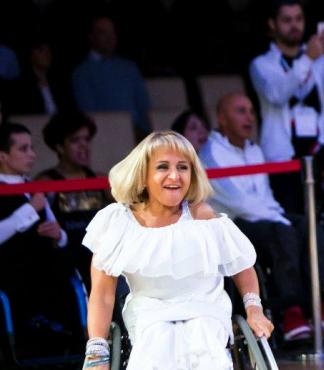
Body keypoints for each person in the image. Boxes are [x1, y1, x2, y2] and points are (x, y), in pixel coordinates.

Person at [82, 131, 273, 369]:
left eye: (183, 167)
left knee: (203, 344)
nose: (175, 176)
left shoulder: (201, 216)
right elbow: (102, 293)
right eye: (163, 167)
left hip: (205, 308)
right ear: (143, 176)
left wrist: (254, 309)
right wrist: (97, 350)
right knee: (156, 343)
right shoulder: (117, 222)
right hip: (150, 313)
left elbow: (242, 266)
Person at [199, 92, 324, 341]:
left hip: (267, 216)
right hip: (231, 224)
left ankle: (322, 304)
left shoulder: (255, 150)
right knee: (282, 231)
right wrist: (279, 219)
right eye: (241, 111)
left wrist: (280, 217)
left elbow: (266, 197)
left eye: (251, 111)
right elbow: (239, 204)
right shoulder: (211, 153)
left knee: (308, 225)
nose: (249, 117)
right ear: (221, 118)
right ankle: (290, 312)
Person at [249, 0, 324, 213]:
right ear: (272, 24)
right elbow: (277, 94)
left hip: (321, 155)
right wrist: (307, 59)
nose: (295, 26)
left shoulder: (318, 56)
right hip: (283, 159)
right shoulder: (262, 64)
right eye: (287, 20)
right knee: (295, 220)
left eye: (299, 19)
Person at [0, 122, 78, 359]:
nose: (32, 155)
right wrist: (30, 211)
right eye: (23, 149)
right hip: (13, 278)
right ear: (3, 156)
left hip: (49, 277)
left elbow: (59, 233)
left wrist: (59, 235)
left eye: (32, 148)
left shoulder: (34, 189)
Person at [36, 112, 111, 284]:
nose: (84, 146)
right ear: (59, 147)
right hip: (64, 265)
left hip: (101, 264)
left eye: (86, 140)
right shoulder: (45, 182)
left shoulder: (102, 180)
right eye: (75, 141)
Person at [72, 15, 152, 140]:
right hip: (106, 138)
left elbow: (144, 106)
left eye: (112, 32)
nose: (110, 38)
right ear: (91, 37)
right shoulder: (82, 73)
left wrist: (145, 132)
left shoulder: (129, 67)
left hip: (139, 136)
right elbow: (89, 113)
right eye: (103, 33)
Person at [0, 39, 60, 117]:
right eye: (40, 50)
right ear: (31, 55)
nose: (47, 54)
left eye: (48, 49)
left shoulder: (58, 81)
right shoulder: (22, 86)